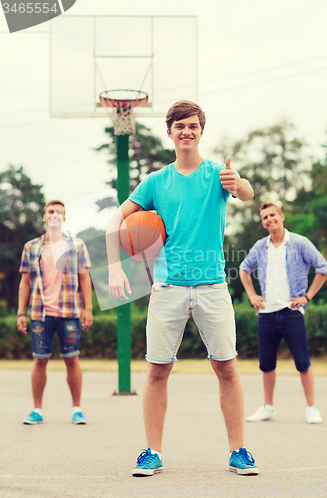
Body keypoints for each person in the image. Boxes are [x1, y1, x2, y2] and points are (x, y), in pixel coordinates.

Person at [107, 100, 258, 476]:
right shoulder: (156, 182)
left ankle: (239, 451)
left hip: (211, 287)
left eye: (193, 125)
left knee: (226, 367)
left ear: (201, 131)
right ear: (170, 132)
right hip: (168, 288)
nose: (186, 131)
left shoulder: (217, 174)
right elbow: (115, 221)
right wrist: (114, 268)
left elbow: (247, 192)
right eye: (180, 126)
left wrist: (237, 183)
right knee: (158, 371)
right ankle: (152, 452)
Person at [239, 202, 327, 424]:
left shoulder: (299, 243)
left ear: (281, 216)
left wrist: (307, 297)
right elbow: (244, 268)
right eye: (264, 218)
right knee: (267, 364)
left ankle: (311, 408)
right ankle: (268, 407)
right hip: (266, 315)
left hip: (292, 313)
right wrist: (252, 295)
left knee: (303, 363)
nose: (269, 219)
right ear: (263, 223)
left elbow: (323, 268)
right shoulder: (261, 246)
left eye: (272, 215)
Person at [17, 200, 93, 425]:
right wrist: (21, 312)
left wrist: (88, 308)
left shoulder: (77, 245)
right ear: (44, 217)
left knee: (72, 359)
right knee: (40, 360)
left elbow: (84, 278)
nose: (54, 215)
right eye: (50, 211)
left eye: (59, 212)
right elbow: (25, 281)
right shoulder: (31, 247)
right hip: (40, 312)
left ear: (64, 218)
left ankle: (77, 409)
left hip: (69, 311)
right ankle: (37, 410)